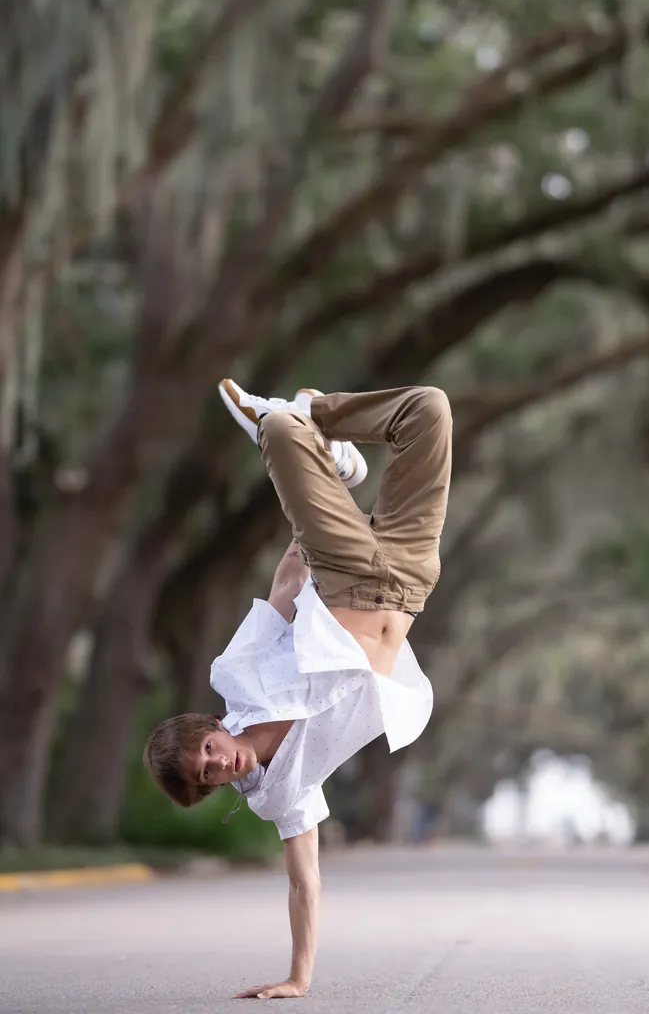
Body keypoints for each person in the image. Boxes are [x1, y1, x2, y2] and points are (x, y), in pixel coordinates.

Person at [144, 383, 452, 1000]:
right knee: (433, 414)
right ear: (214, 789)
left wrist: (315, 518)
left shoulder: (235, 675)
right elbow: (303, 882)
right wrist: (299, 977)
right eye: (206, 777)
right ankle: (333, 460)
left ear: (211, 727)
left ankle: (316, 420)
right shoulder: (282, 795)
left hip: (343, 577)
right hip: (411, 582)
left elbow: (286, 588)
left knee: (289, 427)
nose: (215, 764)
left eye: (204, 749)